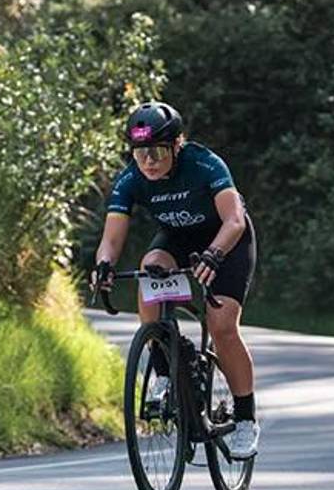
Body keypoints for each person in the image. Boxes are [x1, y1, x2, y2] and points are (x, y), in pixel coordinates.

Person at [91, 101, 260, 459]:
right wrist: (104, 265)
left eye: (156, 152)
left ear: (177, 145)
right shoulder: (131, 179)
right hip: (179, 240)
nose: (149, 161)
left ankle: (245, 419)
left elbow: (234, 220)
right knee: (149, 266)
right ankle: (165, 368)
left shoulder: (204, 164)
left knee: (221, 325)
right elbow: (112, 238)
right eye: (140, 154)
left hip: (225, 240)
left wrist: (214, 254)